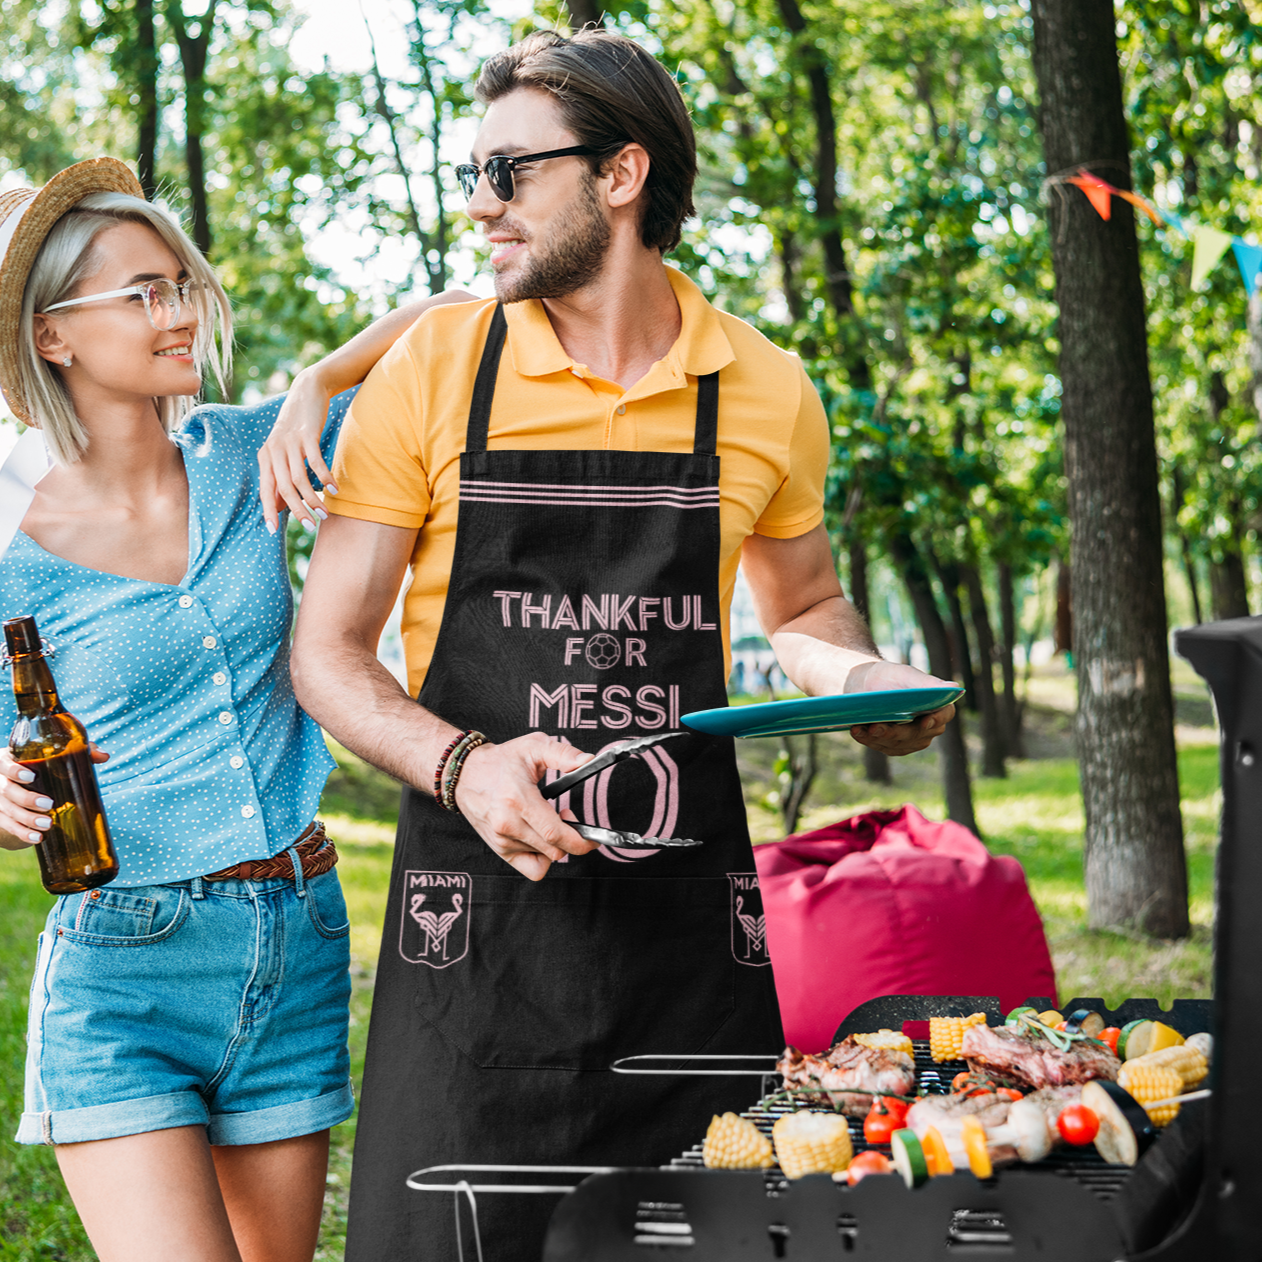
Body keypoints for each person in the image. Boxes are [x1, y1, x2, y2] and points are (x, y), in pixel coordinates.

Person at [290, 30, 956, 1262]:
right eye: (471, 171)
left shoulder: (765, 387)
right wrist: (462, 766)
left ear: (619, 174)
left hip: (685, 947)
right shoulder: (435, 369)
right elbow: (325, 651)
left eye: (507, 171)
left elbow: (803, 606)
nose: (474, 202)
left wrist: (862, 681)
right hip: (474, 934)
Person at [0, 157, 469, 1262]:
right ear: (53, 337)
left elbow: (456, 315)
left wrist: (319, 378)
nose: (178, 313)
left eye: (181, 285)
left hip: (296, 935)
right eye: (141, 294)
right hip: (125, 965)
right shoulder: (14, 556)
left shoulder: (251, 455)